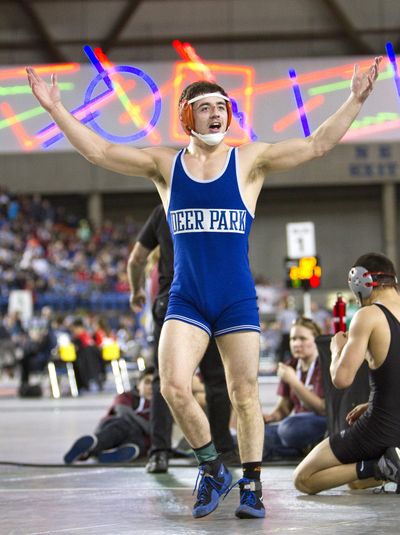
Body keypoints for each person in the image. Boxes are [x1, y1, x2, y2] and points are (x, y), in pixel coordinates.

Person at [27, 56, 381, 519]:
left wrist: (355, 98)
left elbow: (316, 145)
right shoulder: (165, 166)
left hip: (235, 299)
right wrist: (56, 110)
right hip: (187, 298)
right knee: (172, 386)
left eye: (222, 106)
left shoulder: (250, 160)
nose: (216, 113)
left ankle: (251, 484)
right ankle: (212, 466)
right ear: (186, 116)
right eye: (206, 106)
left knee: (245, 393)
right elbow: (100, 152)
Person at [127, 204, 236, 474]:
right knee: (217, 380)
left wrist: (136, 291)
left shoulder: (163, 209)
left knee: (165, 380)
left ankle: (159, 452)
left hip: (173, 302)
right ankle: (223, 448)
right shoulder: (218, 204)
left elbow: (136, 260)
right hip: (213, 299)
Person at [293, 252, 400, 494]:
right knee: (354, 480)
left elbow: (341, 380)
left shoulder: (368, 315)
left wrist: (335, 350)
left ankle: (383, 467)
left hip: (381, 428)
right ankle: (389, 465)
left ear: (359, 283)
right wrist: (371, 402)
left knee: (303, 478)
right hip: (392, 424)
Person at [263, 317, 326, 461]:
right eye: (293, 339)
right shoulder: (290, 365)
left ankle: (284, 449)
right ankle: (305, 449)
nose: (297, 344)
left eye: (303, 339)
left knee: (288, 429)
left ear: (315, 340)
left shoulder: (324, 364)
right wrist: (270, 417)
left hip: (319, 422)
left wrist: (294, 382)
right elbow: (284, 409)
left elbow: (323, 409)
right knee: (257, 434)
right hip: (296, 425)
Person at [64, 367, 153, 464]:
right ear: (138, 384)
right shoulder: (126, 396)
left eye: (155, 384)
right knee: (121, 427)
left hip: (137, 437)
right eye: (147, 382)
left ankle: (111, 454)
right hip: (114, 428)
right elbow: (123, 412)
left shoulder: (161, 406)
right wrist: (148, 427)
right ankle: (93, 444)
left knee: (141, 444)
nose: (151, 387)